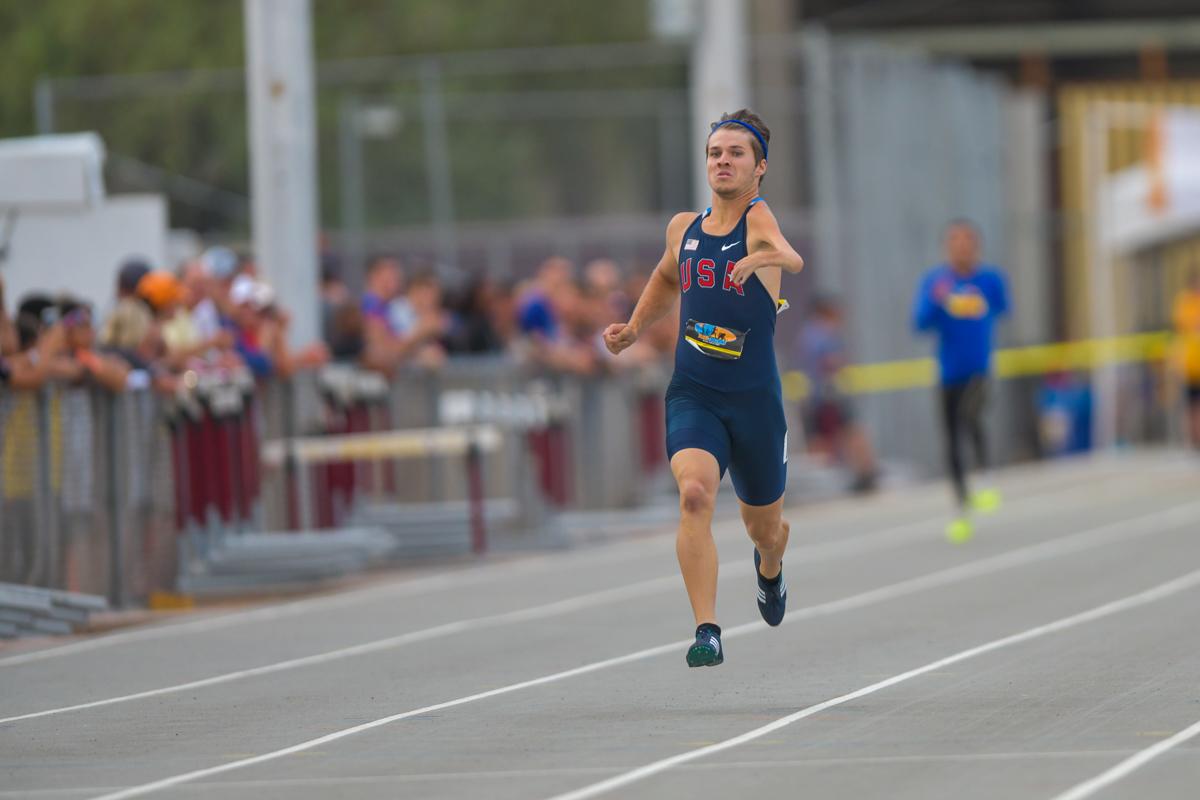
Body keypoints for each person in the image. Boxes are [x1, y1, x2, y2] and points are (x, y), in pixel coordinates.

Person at [604, 109, 803, 668]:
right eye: (716, 152)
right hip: (695, 392)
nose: (723, 161)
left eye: (736, 153)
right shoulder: (682, 229)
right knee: (694, 495)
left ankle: (770, 571)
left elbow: (791, 256)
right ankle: (707, 629)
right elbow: (668, 278)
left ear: (758, 167)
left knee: (764, 529)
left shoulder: (758, 218)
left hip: (755, 403)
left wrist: (762, 259)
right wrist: (634, 328)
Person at [912, 219, 1010, 543]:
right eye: (955, 241)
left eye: (967, 241)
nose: (962, 247)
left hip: (979, 369)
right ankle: (961, 507)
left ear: (976, 245)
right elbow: (920, 322)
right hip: (948, 372)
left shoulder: (990, 280)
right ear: (947, 247)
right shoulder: (936, 282)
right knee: (951, 437)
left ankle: (984, 476)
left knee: (972, 415)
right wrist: (939, 300)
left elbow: (1002, 308)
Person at [798, 295, 879, 492]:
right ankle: (864, 473)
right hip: (829, 395)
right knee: (848, 432)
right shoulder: (824, 333)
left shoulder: (806, 334)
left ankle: (820, 484)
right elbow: (831, 361)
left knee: (820, 439)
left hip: (815, 395)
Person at [1172, 269, 1200, 449]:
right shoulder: (1184, 304)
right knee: (1190, 406)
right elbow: (1182, 330)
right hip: (1190, 366)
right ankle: (1193, 441)